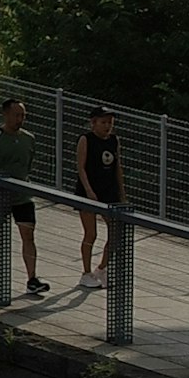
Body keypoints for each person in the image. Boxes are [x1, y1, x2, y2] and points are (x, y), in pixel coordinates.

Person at [0, 98, 44, 297]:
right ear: (5, 114)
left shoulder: (29, 138)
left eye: (23, 115)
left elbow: (28, 164)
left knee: (28, 235)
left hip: (23, 195)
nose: (20, 119)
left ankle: (32, 278)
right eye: (16, 115)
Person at [73, 107, 124, 281]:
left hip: (108, 190)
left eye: (110, 122)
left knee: (116, 231)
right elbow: (81, 167)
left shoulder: (114, 140)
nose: (107, 126)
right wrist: (88, 190)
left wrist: (121, 193)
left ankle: (102, 267)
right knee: (91, 233)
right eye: (103, 122)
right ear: (93, 123)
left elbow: (117, 167)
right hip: (89, 190)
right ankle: (86, 272)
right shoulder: (85, 139)